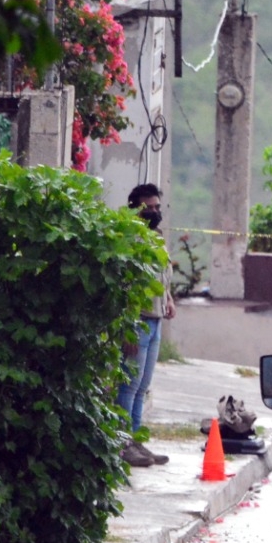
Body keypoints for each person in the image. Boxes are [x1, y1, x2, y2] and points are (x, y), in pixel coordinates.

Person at [115, 183, 175, 468]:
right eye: (148, 207)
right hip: (137, 320)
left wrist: (169, 299)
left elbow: (162, 277)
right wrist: (126, 324)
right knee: (129, 384)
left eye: (156, 207)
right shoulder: (129, 239)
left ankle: (136, 440)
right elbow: (124, 283)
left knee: (142, 387)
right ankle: (122, 443)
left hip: (155, 319)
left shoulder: (158, 239)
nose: (153, 212)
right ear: (135, 208)